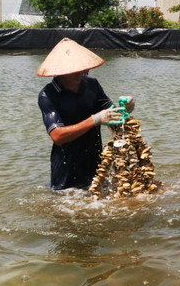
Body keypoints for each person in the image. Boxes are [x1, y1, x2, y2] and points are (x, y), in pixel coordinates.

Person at [36, 38, 135, 190]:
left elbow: (112, 113)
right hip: (66, 167)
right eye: (74, 70)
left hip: (94, 161)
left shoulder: (92, 85)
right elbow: (57, 136)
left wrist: (125, 108)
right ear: (61, 71)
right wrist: (95, 120)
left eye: (82, 68)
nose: (80, 73)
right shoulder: (48, 95)